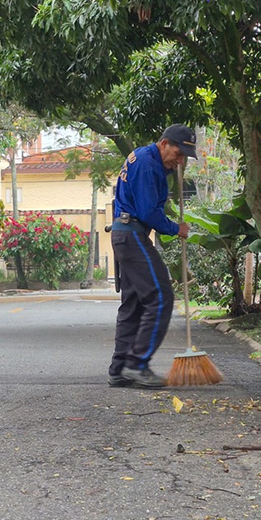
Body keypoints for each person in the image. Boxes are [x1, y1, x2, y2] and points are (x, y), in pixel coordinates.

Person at [108, 124, 197, 388]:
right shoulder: (147, 164)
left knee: (133, 304)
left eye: (184, 158)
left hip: (125, 234)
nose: (180, 161)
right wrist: (175, 228)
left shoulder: (146, 159)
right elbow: (148, 212)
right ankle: (137, 365)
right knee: (160, 297)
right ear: (164, 143)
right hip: (132, 235)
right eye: (178, 154)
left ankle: (119, 369)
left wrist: (169, 170)